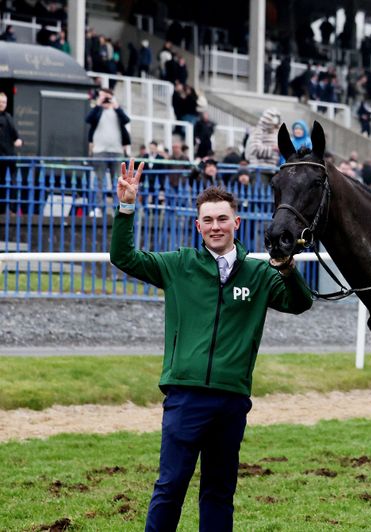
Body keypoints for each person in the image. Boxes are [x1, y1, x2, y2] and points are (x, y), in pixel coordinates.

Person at [109, 160, 313, 530]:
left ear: (236, 223)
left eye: (222, 219)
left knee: (219, 492)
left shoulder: (259, 272)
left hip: (232, 399)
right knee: (170, 487)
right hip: (185, 396)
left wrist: (286, 268)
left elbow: (300, 303)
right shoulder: (179, 265)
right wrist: (126, 207)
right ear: (198, 226)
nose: (215, 226)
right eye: (208, 220)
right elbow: (124, 258)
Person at [0, 92, 23, 214]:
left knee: (11, 184)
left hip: (9, 157)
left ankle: (11, 209)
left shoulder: (8, 117)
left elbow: (16, 136)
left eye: (4, 102)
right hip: (2, 157)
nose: (2, 104)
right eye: (0, 102)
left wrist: (18, 140)